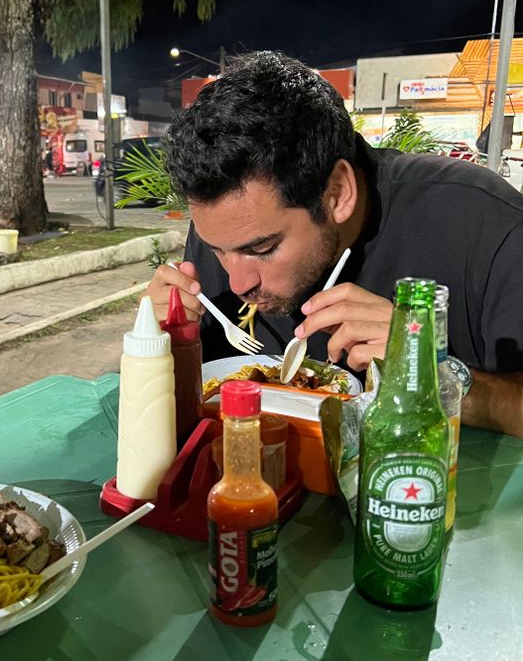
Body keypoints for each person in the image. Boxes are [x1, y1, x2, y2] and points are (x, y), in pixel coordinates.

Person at [144, 51, 523, 438]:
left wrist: (433, 374)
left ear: (338, 193)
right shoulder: (227, 230)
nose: (237, 282)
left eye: (262, 250)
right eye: (216, 249)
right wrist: (164, 346)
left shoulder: (480, 222)